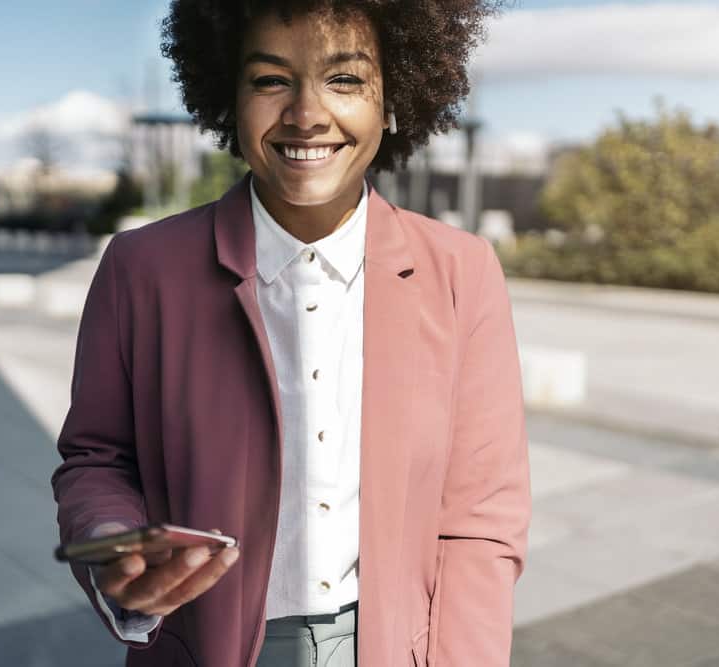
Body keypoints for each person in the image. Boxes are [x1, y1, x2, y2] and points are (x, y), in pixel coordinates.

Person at [50, 1, 531, 665]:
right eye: (271, 80)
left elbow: (481, 518)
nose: (306, 113)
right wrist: (113, 539)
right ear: (228, 93)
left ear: (393, 96)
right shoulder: (141, 269)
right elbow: (98, 457)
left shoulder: (462, 272)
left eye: (345, 79)